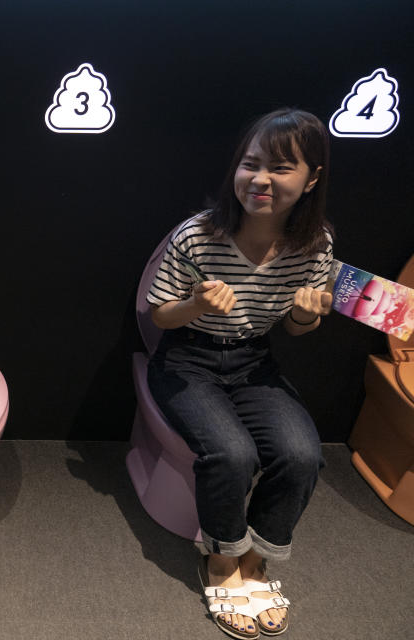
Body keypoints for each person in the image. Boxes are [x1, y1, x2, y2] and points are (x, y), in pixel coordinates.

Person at [146, 109, 333, 639]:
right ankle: (222, 559)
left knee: (302, 453)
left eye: (280, 168)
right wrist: (196, 306)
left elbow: (297, 329)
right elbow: (159, 315)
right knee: (232, 452)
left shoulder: (314, 243)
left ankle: (257, 558)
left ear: (311, 178)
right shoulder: (199, 234)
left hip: (253, 360)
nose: (261, 180)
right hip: (186, 358)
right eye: (250, 165)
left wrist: (304, 313)